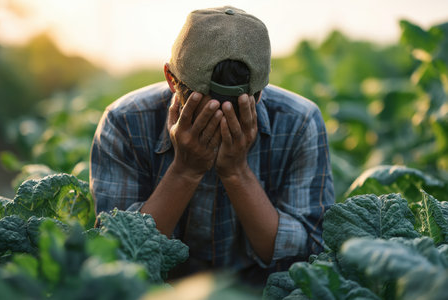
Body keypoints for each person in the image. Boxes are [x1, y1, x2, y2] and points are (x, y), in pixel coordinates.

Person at [90, 6, 334, 285]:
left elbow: (307, 255)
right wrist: (185, 170)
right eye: (202, 105)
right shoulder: (124, 121)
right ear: (171, 79)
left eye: (237, 107)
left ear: (261, 91)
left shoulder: (300, 122)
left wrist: (236, 171)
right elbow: (118, 254)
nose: (220, 118)